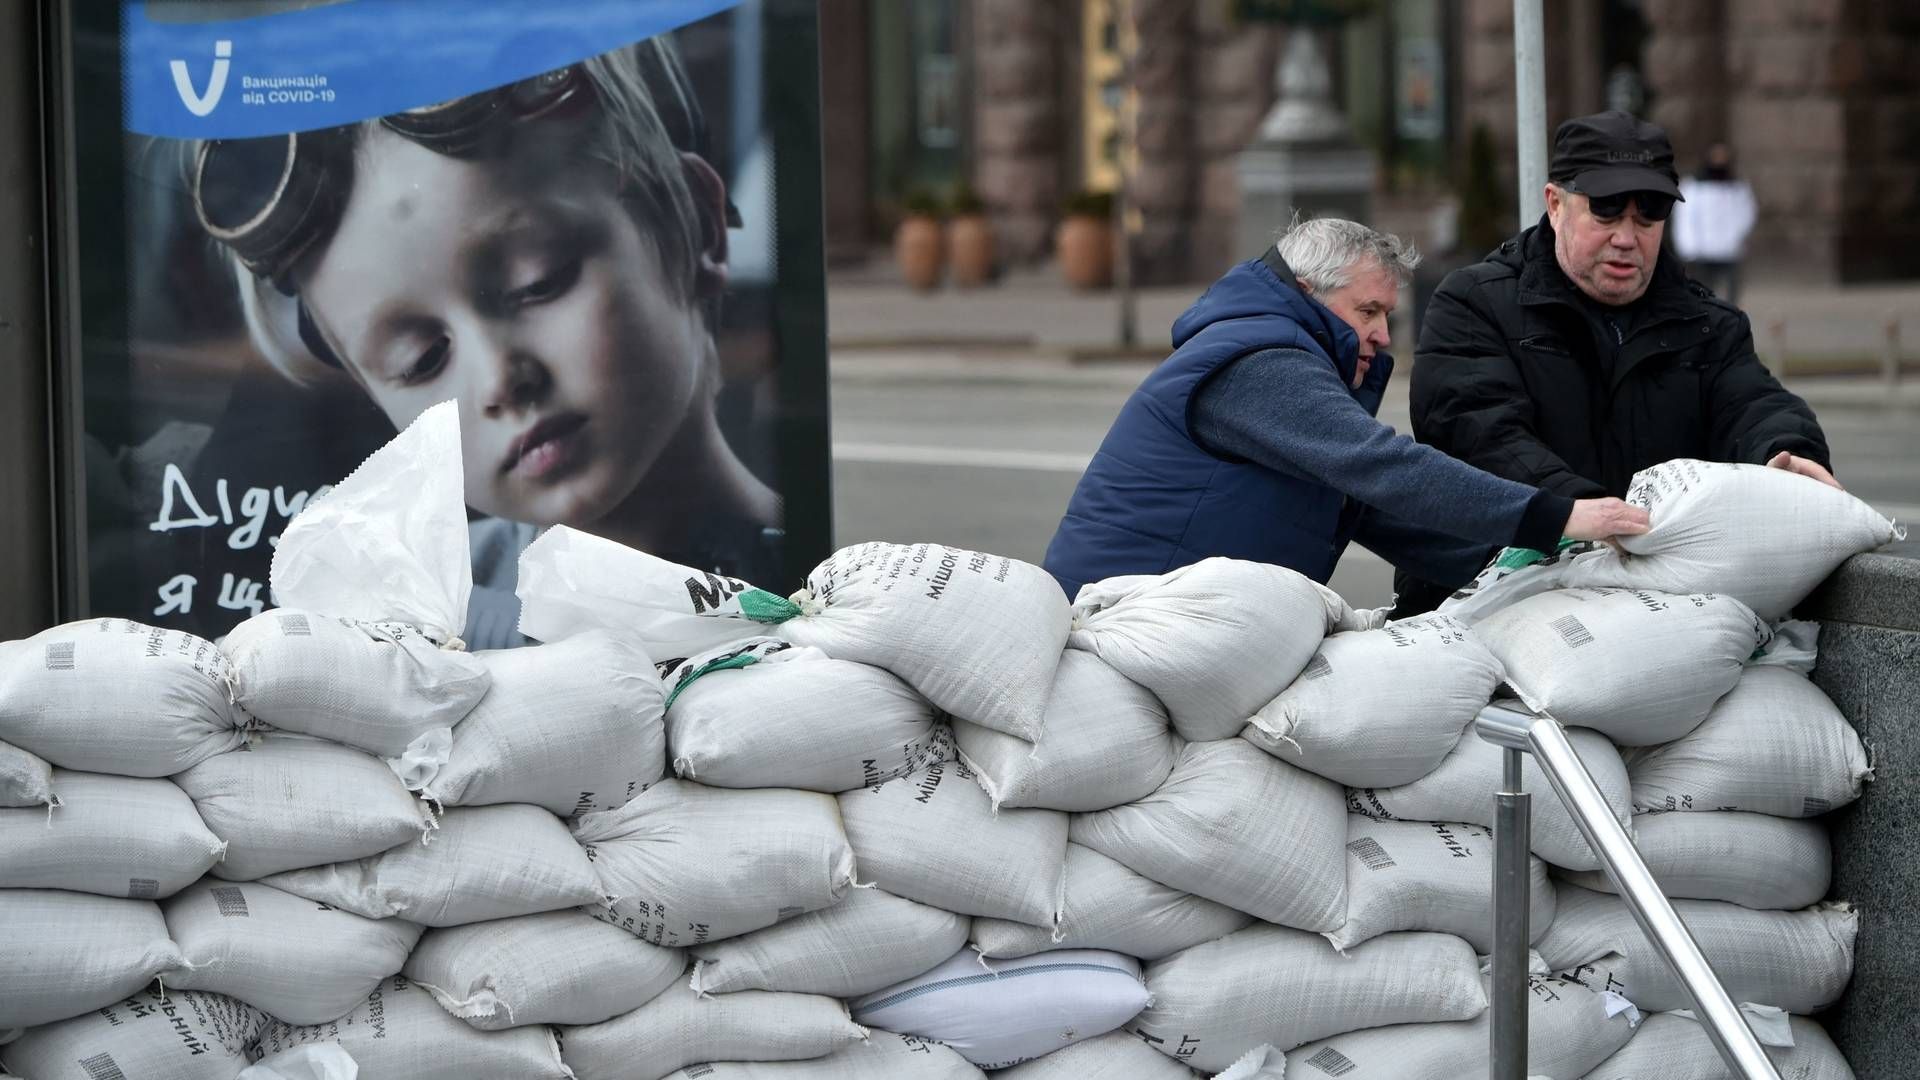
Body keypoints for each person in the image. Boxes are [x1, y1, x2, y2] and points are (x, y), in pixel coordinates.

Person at [189, 38, 780, 647]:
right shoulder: (419, 615)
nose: (501, 378)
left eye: (537, 283)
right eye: (421, 362)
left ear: (701, 227)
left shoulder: (815, 588)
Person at [1040, 217, 1650, 602]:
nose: (1384, 336)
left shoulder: (1284, 359)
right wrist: (1557, 516)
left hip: (1172, 627)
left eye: (1388, 316)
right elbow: (1385, 467)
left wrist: (1539, 563)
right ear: (1309, 292)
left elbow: (1388, 511)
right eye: (1368, 313)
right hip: (1119, 626)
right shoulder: (1259, 360)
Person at [1398, 111, 1833, 615]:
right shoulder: (1474, 303)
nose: (1627, 237)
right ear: (1554, 205)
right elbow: (1479, 431)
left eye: (1648, 215)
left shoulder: (1709, 322)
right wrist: (1584, 514)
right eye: (1605, 212)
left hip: (1652, 598)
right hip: (1487, 596)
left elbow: (1753, 404)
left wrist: (1786, 450)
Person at [1673, 141, 1758, 305]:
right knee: (1702, 291)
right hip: (1702, 250)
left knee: (1731, 292)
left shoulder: (1738, 187)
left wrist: (1737, 237)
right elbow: (1685, 218)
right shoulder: (1693, 187)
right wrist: (1688, 246)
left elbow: (1747, 214)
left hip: (1729, 249)